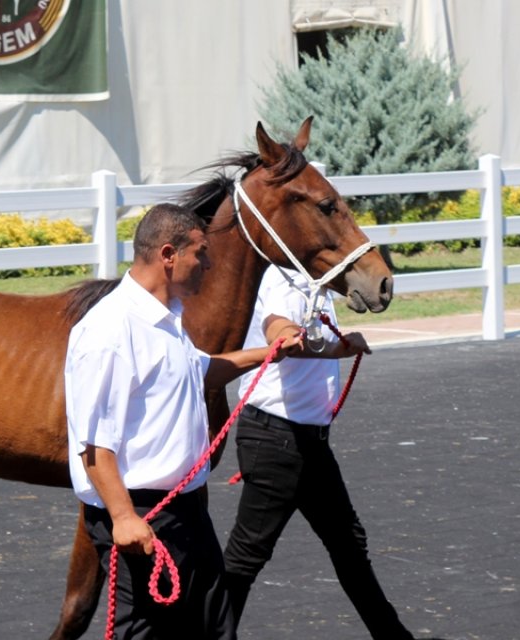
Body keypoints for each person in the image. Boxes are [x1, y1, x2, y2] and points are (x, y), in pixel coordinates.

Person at [65, 203, 301, 639]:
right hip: (143, 515)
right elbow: (94, 442)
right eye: (201, 254)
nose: (208, 265)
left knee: (215, 629)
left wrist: (268, 354)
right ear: (168, 255)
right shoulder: (109, 332)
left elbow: (199, 368)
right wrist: (123, 518)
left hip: (187, 512)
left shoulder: (168, 317)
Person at [222, 265, 432, 639]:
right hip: (278, 439)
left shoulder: (312, 281)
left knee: (347, 542)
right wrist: (330, 346)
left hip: (303, 441)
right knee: (248, 555)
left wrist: (338, 346)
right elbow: (279, 328)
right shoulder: (284, 279)